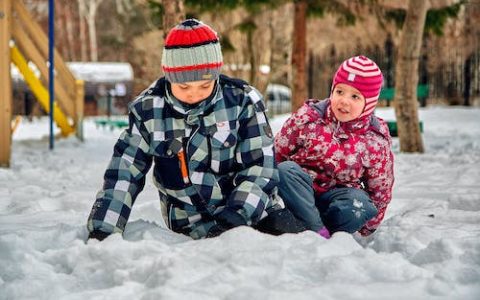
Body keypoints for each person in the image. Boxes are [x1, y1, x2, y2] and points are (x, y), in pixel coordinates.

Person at [87, 19, 303, 241]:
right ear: (169, 77)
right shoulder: (149, 111)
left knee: (288, 242)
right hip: (192, 223)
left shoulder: (243, 101)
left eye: (204, 85)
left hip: (252, 212)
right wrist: (103, 228)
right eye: (184, 87)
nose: (194, 94)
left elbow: (260, 168)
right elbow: (125, 172)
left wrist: (237, 216)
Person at [274, 55, 394, 239]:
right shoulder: (308, 119)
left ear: (369, 104)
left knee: (361, 205)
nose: (344, 101)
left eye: (355, 96)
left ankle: (312, 227)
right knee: (285, 170)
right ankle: (318, 231)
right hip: (301, 195)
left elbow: (380, 187)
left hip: (338, 201)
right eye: (339, 92)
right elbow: (277, 152)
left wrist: (369, 227)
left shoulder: (374, 140)